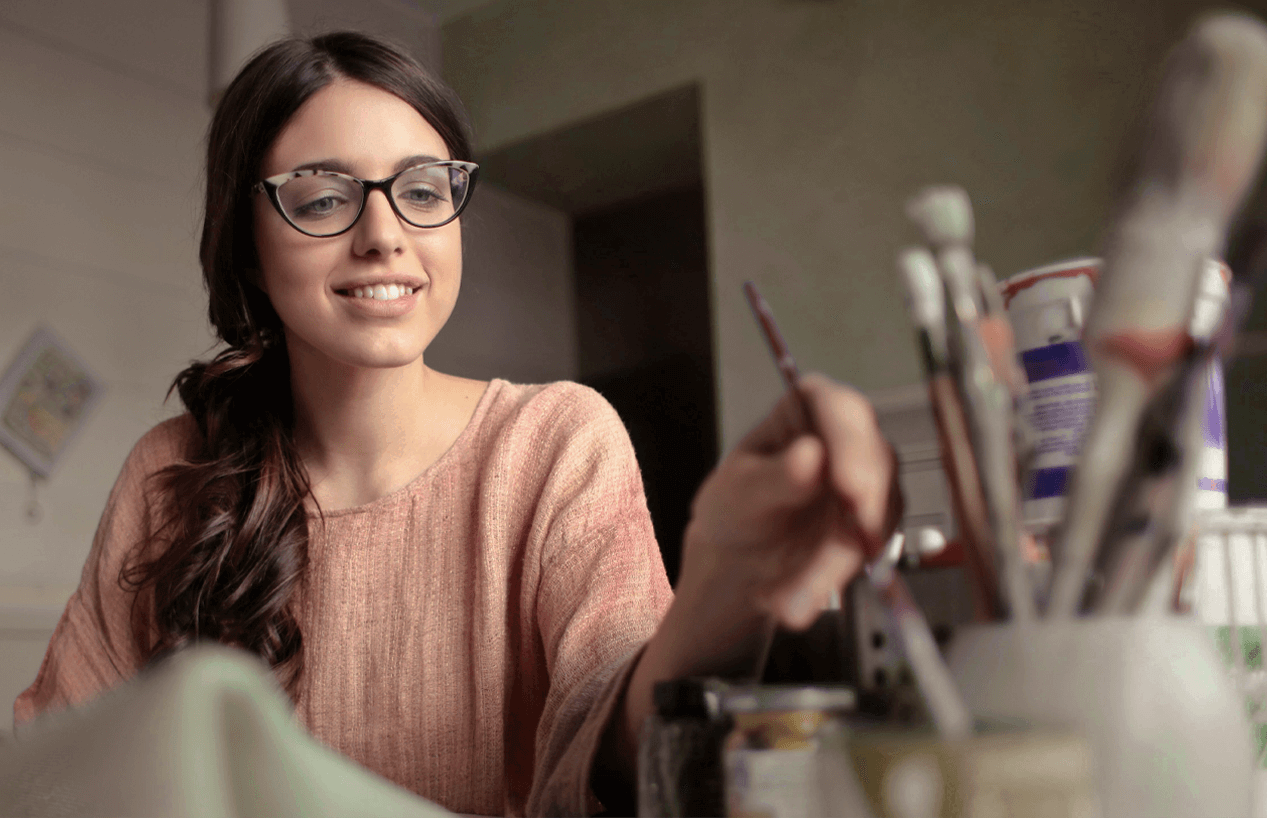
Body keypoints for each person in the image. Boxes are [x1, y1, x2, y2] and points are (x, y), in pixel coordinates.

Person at [13, 31, 900, 817]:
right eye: (321, 198)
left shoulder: (555, 442)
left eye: (423, 189)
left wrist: (718, 588)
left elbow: (611, 751)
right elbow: (57, 771)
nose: (383, 234)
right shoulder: (171, 472)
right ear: (246, 241)